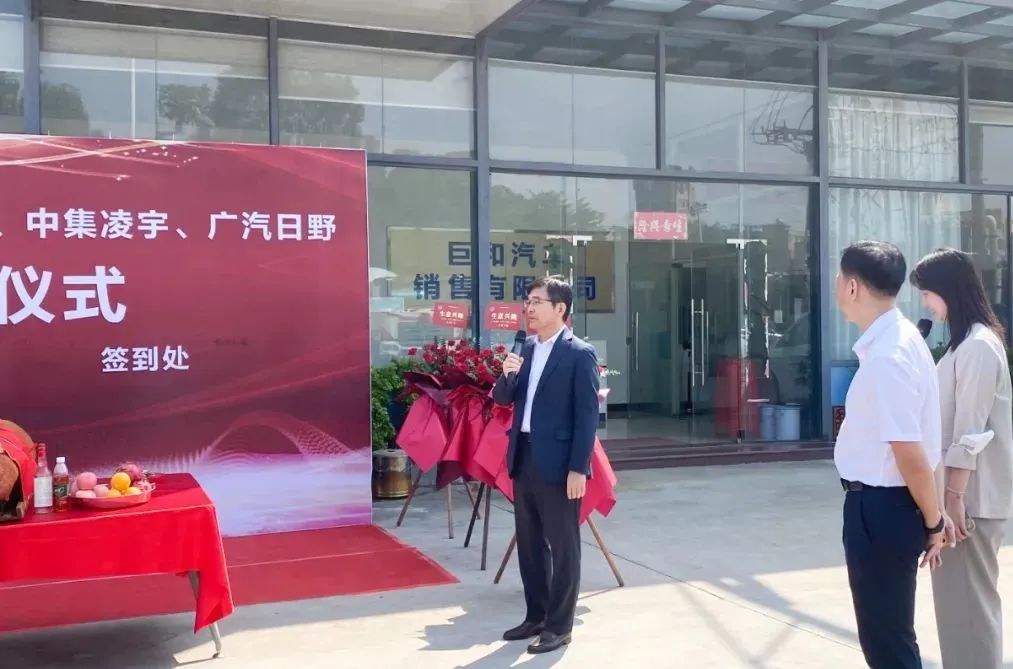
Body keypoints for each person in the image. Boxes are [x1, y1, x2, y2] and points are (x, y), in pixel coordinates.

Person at [833, 241, 949, 669]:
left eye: (839, 279)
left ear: (852, 287)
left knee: (888, 645)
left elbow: (910, 451)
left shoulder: (888, 355)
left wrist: (934, 522)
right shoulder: (902, 340)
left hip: (881, 509)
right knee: (889, 636)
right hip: (888, 506)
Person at [912, 248, 1013, 669]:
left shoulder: (978, 347)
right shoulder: (967, 344)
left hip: (969, 503)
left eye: (927, 293)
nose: (925, 304)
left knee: (968, 613)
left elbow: (969, 434)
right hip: (961, 499)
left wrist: (952, 501)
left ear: (948, 290)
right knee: (960, 613)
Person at [492, 275, 600, 655]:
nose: (530, 308)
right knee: (530, 544)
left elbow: (587, 417)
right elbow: (502, 398)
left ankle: (559, 626)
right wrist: (507, 372)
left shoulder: (579, 354)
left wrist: (578, 468)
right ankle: (535, 616)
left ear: (560, 308)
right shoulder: (525, 348)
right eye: (528, 301)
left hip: (559, 464)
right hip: (524, 457)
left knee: (563, 545)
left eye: (537, 301)